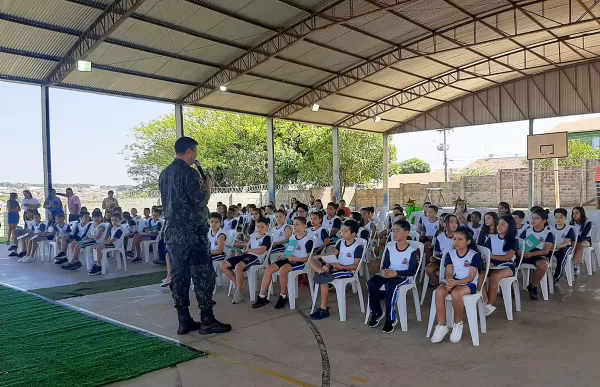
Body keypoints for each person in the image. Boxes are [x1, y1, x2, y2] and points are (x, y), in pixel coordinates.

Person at [159, 136, 230, 335]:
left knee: (179, 277)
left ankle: (184, 320)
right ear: (189, 151)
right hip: (192, 235)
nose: (195, 157)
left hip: (173, 235)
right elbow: (200, 199)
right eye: (195, 152)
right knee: (203, 276)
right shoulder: (188, 173)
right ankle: (207, 320)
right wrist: (207, 185)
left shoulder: (164, 174)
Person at [430, 227, 483, 344]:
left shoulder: (474, 256)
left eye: (460, 239)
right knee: (439, 292)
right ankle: (441, 325)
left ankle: (458, 323)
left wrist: (455, 283)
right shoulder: (450, 254)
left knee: (456, 293)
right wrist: (450, 281)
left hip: (469, 284)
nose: (456, 242)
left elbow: (471, 277)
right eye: (454, 239)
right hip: (454, 281)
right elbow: (449, 272)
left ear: (468, 241)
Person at [366, 220, 418, 333]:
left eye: (398, 231)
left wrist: (397, 273)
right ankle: (377, 312)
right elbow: (385, 264)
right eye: (393, 231)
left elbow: (412, 271)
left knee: (390, 286)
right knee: (371, 283)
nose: (394, 233)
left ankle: (391, 319)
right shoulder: (390, 247)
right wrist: (384, 271)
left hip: (403, 276)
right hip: (389, 273)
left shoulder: (412, 250)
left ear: (406, 233)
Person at [253, 216, 314, 309]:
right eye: (294, 224)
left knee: (283, 269)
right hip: (290, 259)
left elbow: (309, 258)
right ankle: (262, 296)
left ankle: (283, 296)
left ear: (304, 226)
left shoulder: (308, 240)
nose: (294, 226)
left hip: (300, 262)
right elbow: (289, 250)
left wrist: (296, 259)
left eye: (297, 224)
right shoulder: (293, 237)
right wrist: (285, 254)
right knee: (269, 268)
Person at [310, 219, 364, 321]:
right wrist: (328, 265)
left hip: (347, 271)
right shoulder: (340, 242)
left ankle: (323, 309)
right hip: (337, 268)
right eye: (342, 230)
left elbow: (356, 266)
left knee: (323, 280)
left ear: (353, 234)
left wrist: (341, 267)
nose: (342, 233)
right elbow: (333, 255)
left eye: (345, 231)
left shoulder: (357, 247)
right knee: (311, 260)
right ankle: (322, 272)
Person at [220, 217, 271, 304]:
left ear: (267, 227)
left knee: (238, 267)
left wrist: (249, 250)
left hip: (256, 258)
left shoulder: (267, 237)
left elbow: (261, 251)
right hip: (246, 255)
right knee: (223, 265)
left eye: (262, 227)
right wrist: (243, 251)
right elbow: (247, 247)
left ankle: (239, 292)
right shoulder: (253, 236)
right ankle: (238, 282)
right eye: (258, 226)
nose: (259, 229)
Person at [482, 215, 519, 316]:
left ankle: (489, 304)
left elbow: (507, 257)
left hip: (507, 266)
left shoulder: (513, 241)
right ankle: (486, 303)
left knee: (495, 276)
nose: (499, 226)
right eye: (498, 224)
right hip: (492, 264)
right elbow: (484, 253)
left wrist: (491, 257)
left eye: (503, 224)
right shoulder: (491, 238)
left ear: (510, 227)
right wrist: (488, 260)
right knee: (479, 275)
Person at [520, 209, 554, 300]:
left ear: (544, 221)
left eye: (537, 218)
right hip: (525, 253)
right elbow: (519, 244)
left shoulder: (548, 234)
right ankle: (510, 285)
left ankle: (533, 286)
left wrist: (532, 254)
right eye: (532, 218)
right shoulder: (527, 231)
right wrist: (520, 252)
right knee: (511, 261)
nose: (533, 220)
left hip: (538, 254)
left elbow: (546, 251)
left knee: (543, 265)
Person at [425, 214, 458, 286]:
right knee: (429, 269)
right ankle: (439, 286)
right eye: (451, 222)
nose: (454, 224)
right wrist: (434, 257)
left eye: (456, 222)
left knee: (449, 272)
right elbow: (437, 251)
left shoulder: (460, 236)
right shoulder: (440, 237)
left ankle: (446, 288)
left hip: (455, 262)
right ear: (445, 224)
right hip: (442, 260)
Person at [550, 208, 575, 284]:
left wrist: (557, 246)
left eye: (561, 217)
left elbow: (566, 242)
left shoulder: (569, 229)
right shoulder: (550, 228)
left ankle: (557, 276)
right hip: (553, 247)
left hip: (564, 247)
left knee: (562, 255)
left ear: (565, 218)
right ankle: (546, 275)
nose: (558, 219)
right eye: (556, 217)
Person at [570, 206, 592, 277]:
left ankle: (575, 265)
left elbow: (584, 235)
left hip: (586, 240)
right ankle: (569, 264)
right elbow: (570, 234)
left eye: (577, 213)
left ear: (581, 213)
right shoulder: (572, 223)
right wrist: (573, 241)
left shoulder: (587, 222)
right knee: (571, 245)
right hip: (575, 239)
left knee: (580, 245)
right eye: (573, 213)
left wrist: (576, 241)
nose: (574, 215)